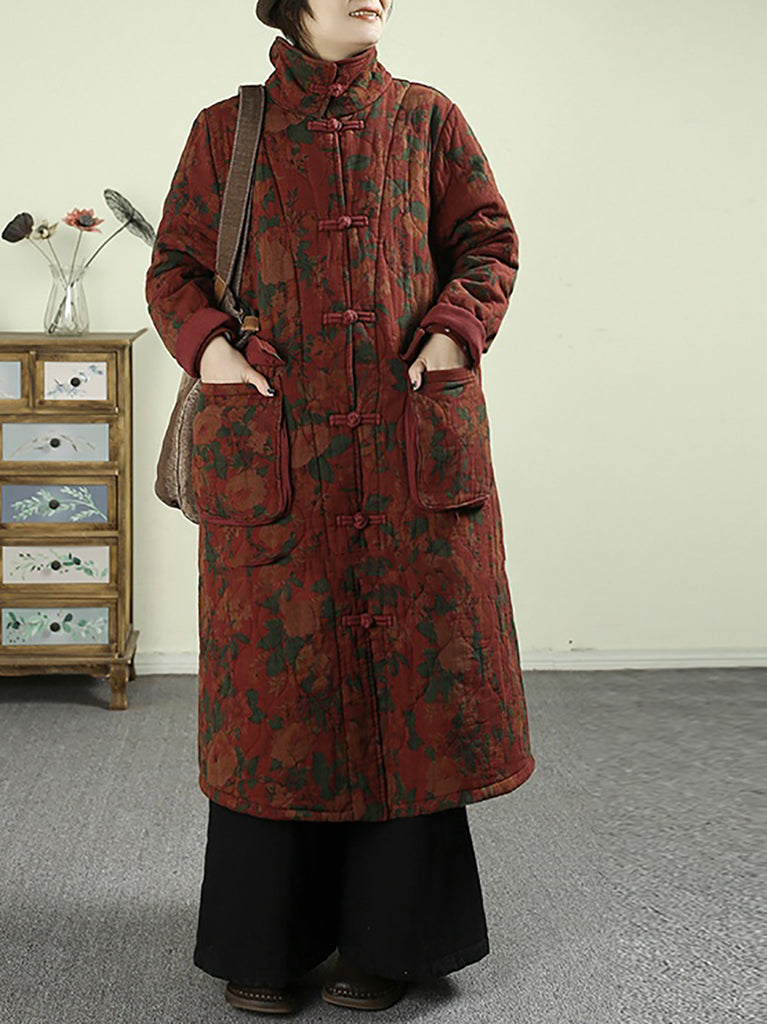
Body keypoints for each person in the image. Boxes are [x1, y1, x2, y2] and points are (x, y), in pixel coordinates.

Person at [145, 0, 535, 1015]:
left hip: (408, 450)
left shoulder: (428, 118)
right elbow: (175, 268)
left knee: (411, 684)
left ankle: (394, 943)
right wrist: (214, 354)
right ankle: (265, 942)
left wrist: (450, 333)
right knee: (276, 693)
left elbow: (488, 244)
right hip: (278, 459)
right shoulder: (224, 131)